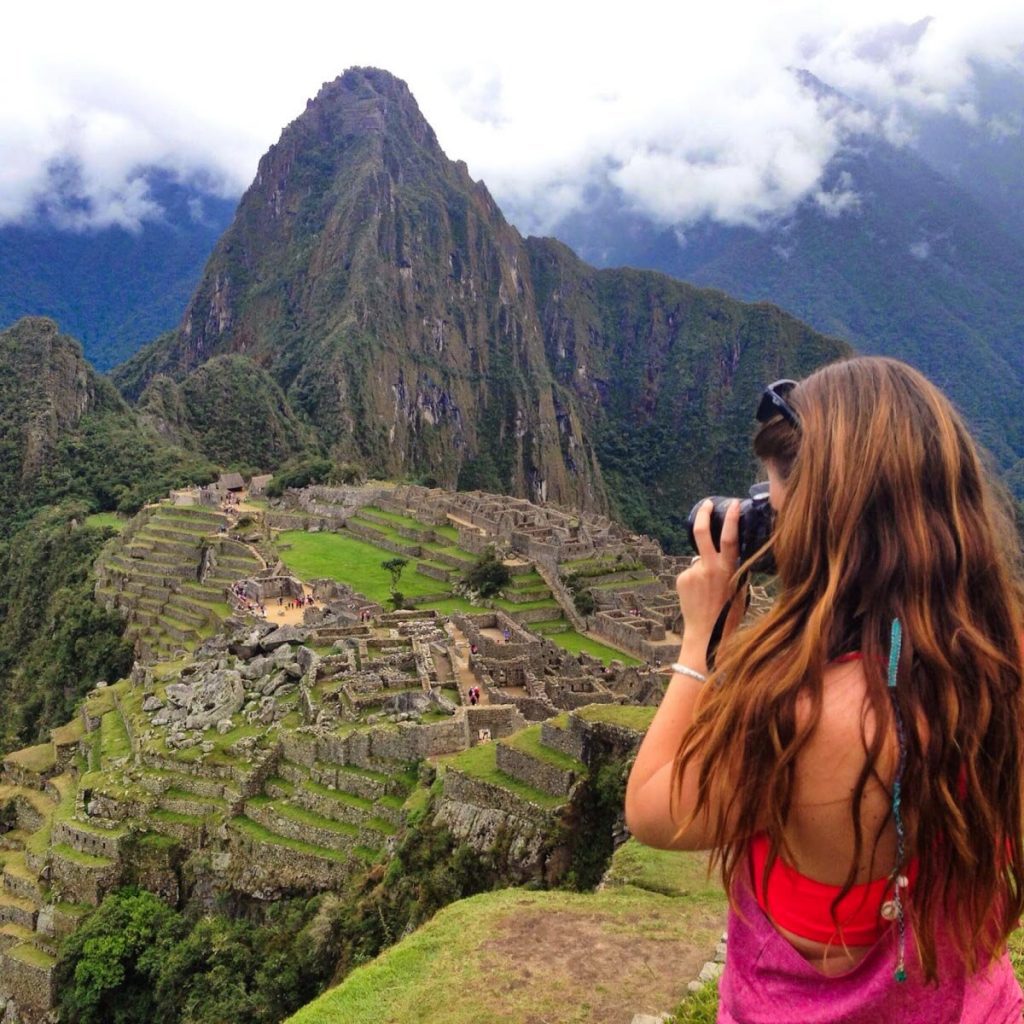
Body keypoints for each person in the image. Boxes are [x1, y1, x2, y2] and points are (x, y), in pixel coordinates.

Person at [625, 358, 1024, 1023]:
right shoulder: (999, 667)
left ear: (820, 517)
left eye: (777, 498)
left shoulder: (797, 715)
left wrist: (702, 640)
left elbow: (649, 810)